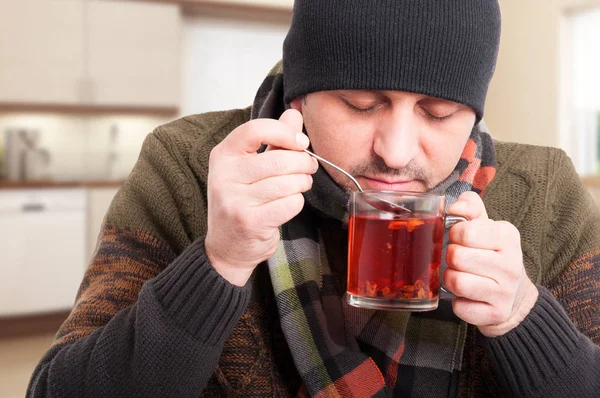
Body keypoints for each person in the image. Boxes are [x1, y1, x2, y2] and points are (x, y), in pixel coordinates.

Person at [28, 0, 600, 397]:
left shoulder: (545, 191)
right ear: (299, 100)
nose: (397, 152)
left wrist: (525, 319)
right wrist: (217, 264)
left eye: (439, 113)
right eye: (359, 103)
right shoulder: (184, 166)